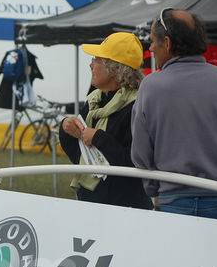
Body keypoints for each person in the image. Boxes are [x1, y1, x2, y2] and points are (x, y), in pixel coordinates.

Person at [131, 9, 217, 220]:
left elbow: (141, 153)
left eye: (153, 41)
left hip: (173, 201)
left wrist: (153, 189)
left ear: (167, 43)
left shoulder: (151, 86)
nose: (151, 47)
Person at [58, 32, 152, 209]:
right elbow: (81, 157)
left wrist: (98, 138)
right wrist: (66, 128)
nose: (90, 64)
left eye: (96, 60)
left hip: (126, 208)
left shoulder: (139, 106)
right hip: (93, 202)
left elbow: (136, 164)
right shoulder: (95, 101)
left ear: (115, 68)